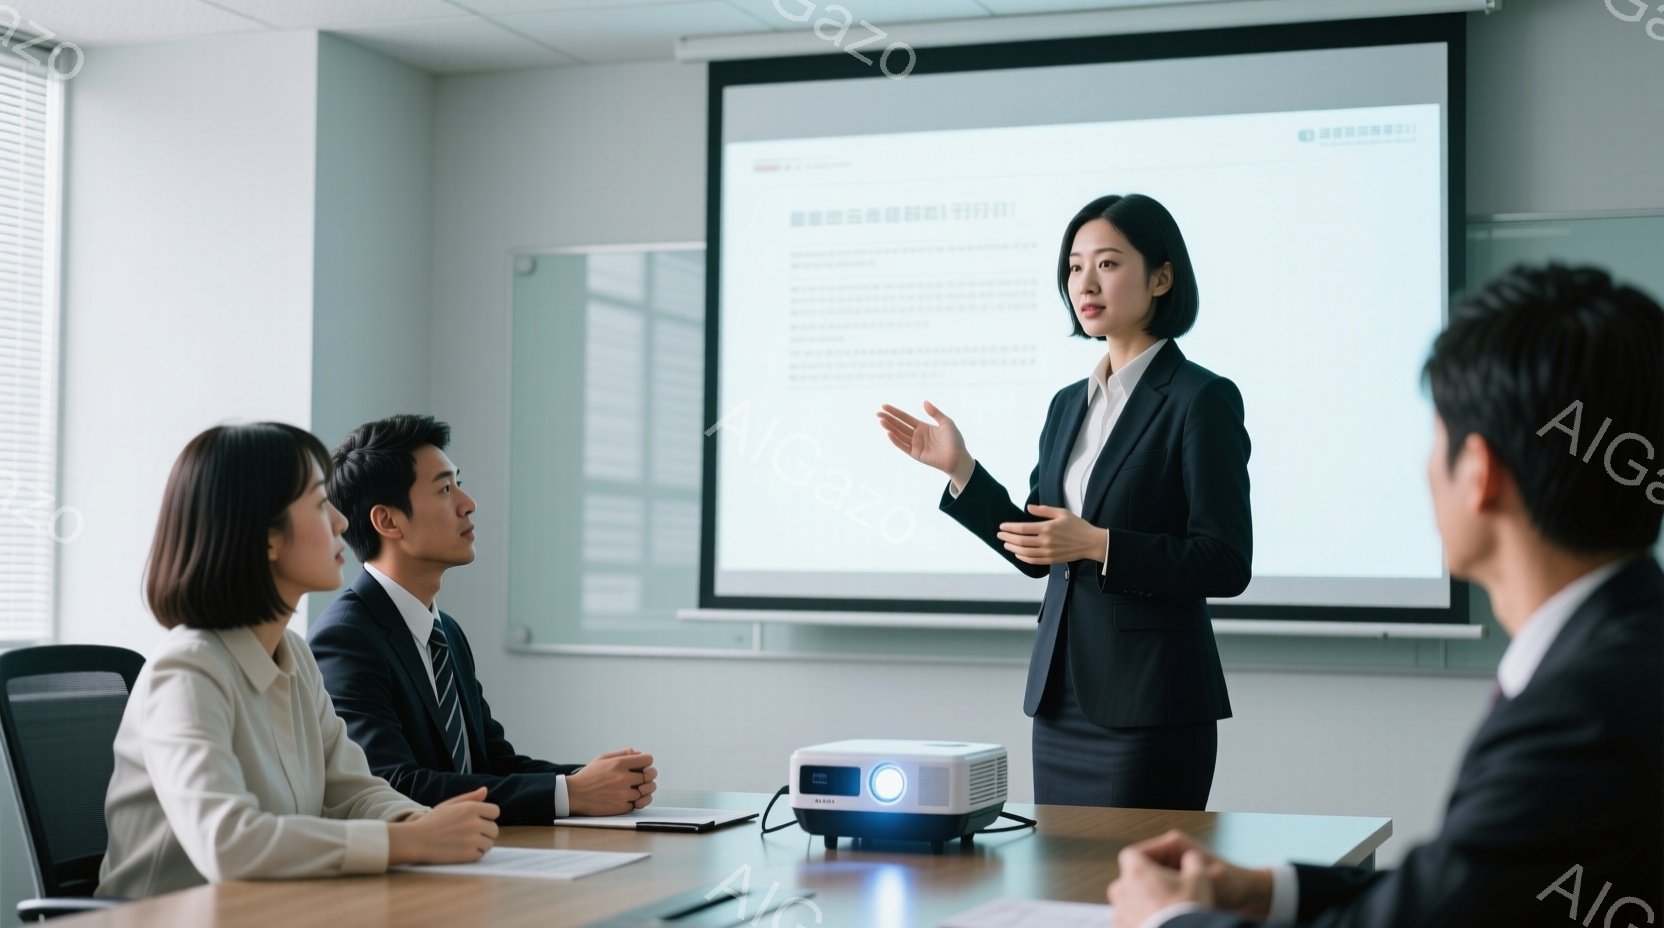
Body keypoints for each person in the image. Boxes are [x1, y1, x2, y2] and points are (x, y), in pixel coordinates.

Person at [1108, 263, 1664, 928]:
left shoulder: (1579, 715)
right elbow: (1477, 886)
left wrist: (1167, 922)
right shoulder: (1626, 649)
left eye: (1436, 437)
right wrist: (1265, 891)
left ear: (1480, 473)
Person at [877, 193, 1250, 811]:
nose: (1086, 282)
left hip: (1152, 706)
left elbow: (1225, 561)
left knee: (1132, 901)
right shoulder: (1066, 405)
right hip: (1060, 701)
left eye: (1107, 263)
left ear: (1161, 277)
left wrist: (1101, 545)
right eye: (1075, 266)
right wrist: (962, 471)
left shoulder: (1200, 398)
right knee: (1064, 896)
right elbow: (1037, 549)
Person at [98, 423, 500, 899]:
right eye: (317, 503)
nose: (341, 522)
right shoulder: (186, 671)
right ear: (267, 537)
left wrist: (427, 824)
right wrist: (406, 841)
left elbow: (355, 791)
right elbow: (228, 842)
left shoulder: (295, 658)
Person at [308, 414, 656, 824]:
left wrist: (590, 778)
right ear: (387, 521)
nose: (467, 503)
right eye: (444, 489)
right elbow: (391, 785)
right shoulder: (345, 637)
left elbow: (490, 763)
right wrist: (570, 793)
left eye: (458, 482)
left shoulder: (445, 633)